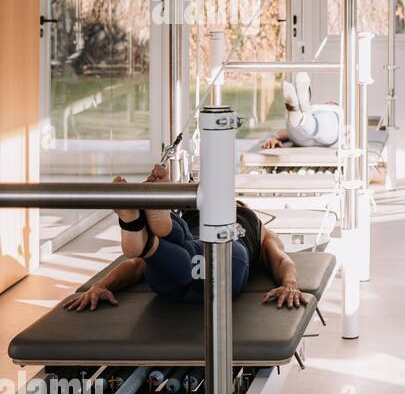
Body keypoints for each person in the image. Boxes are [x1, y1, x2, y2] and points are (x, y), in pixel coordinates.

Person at [61, 164, 306, 311]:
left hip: (221, 259)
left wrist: (290, 284)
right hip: (180, 279)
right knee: (166, 251)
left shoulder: (249, 219)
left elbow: (282, 261)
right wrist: (99, 286)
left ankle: (136, 222)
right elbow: (135, 264)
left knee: (181, 245)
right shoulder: (199, 215)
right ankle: (146, 232)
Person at [258, 72, 341, 149]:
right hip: (320, 133)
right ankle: (302, 110)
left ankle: (299, 109)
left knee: (301, 123)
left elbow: (285, 132)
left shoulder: (330, 110)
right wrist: (273, 138)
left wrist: (274, 137)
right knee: (318, 121)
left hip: (302, 136)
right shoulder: (329, 110)